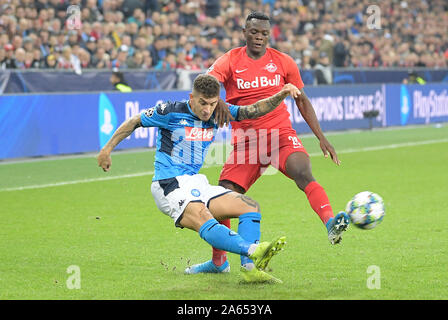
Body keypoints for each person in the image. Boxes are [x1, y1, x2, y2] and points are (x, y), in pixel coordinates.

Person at [97, 74, 302, 283]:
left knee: (249, 206)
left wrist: (282, 93)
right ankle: (253, 250)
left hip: (195, 182)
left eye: (212, 103)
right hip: (168, 184)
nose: (207, 109)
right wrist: (107, 149)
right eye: (202, 103)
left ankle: (249, 270)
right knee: (203, 214)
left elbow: (253, 110)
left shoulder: (217, 113)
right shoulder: (170, 111)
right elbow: (134, 121)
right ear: (191, 97)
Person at [189, 12, 350, 274]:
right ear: (245, 32)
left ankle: (330, 223)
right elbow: (210, 82)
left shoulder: (283, 62)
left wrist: (321, 137)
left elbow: (301, 99)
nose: (259, 38)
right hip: (247, 142)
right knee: (222, 196)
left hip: (280, 136)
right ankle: (219, 263)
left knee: (302, 172)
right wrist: (215, 99)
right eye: (254, 32)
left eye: (264, 33)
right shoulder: (230, 59)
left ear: (269, 34)